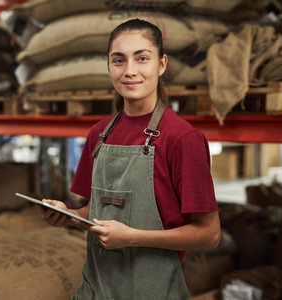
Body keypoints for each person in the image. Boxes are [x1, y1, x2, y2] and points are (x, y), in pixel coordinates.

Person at [40, 18, 221, 300]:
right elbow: (100, 210)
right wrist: (70, 216)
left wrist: (133, 237)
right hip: (94, 290)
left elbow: (209, 234)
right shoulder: (98, 135)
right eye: (119, 60)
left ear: (161, 65)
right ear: (109, 67)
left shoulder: (182, 138)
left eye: (142, 58)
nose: (130, 71)